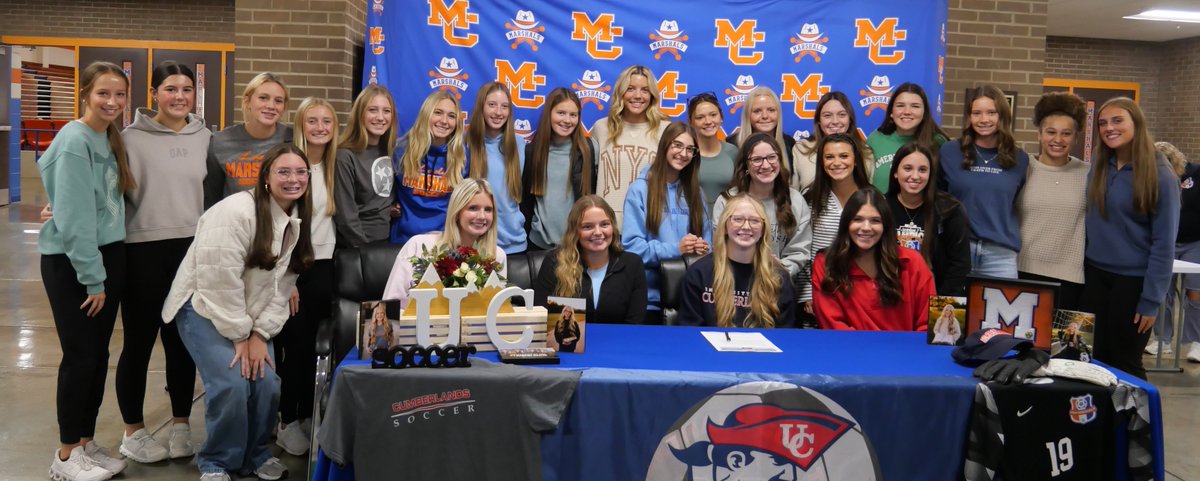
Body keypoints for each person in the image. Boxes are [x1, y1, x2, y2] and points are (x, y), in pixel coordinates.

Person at [162, 144, 314, 481]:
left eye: (300, 172)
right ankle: (217, 462)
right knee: (232, 384)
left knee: (267, 383)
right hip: (203, 306)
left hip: (247, 315)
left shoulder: (297, 219)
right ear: (266, 177)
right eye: (284, 171)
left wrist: (260, 334)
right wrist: (241, 336)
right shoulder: (234, 213)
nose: (293, 179)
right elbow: (218, 282)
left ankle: (255, 456)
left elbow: (282, 288)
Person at [41, 61, 136, 481]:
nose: (112, 102)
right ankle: (65, 456)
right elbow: (76, 219)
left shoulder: (109, 137)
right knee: (80, 357)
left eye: (119, 94)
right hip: (75, 263)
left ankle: (85, 441)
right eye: (103, 93)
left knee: (98, 356)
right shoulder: (74, 139)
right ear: (85, 94)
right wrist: (93, 278)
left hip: (107, 256)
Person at [113, 61, 206, 465]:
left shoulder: (205, 137)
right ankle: (133, 432)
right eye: (170, 89)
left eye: (186, 89)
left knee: (182, 342)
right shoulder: (128, 139)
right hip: (142, 251)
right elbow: (103, 189)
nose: (179, 96)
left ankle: (181, 424)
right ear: (154, 94)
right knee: (138, 344)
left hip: (190, 250)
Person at [1081, 97, 1179, 380]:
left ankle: (1138, 411)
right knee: (1093, 359)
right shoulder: (1100, 163)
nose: (1109, 128)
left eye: (1117, 120)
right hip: (1095, 277)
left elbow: (1164, 244)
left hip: (1133, 283)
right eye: (1103, 123)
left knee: (1125, 362)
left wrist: (1151, 301)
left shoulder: (1160, 174)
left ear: (1136, 123)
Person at [273, 97, 339, 456]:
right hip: (298, 268)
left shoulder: (335, 164)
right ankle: (286, 420)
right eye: (312, 120)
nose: (319, 127)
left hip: (329, 267)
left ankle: (308, 415)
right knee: (295, 349)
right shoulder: (291, 165)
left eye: (326, 121)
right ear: (300, 124)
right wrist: (289, 278)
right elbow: (278, 225)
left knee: (318, 347)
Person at [622, 121, 712, 324]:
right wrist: (676, 249)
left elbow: (710, 246)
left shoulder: (696, 193)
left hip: (691, 298)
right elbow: (632, 248)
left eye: (690, 149)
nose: (683, 153)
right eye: (677, 145)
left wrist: (702, 248)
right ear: (665, 146)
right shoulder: (639, 190)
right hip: (649, 299)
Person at [713, 133, 810, 317]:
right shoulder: (727, 200)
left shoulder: (795, 201)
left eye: (771, 157)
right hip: (732, 288)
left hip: (777, 289)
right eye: (757, 159)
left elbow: (800, 250)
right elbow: (718, 245)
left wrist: (779, 269)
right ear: (746, 165)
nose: (765, 165)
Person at [812, 188, 936, 331]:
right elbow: (832, 324)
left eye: (875, 221)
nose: (866, 227)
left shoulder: (912, 262)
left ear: (886, 225)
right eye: (857, 219)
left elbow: (928, 324)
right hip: (849, 345)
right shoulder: (826, 264)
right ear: (846, 223)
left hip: (906, 346)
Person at [939, 85, 1030, 279]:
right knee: (950, 301)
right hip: (957, 250)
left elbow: (1016, 202)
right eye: (976, 113)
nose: (983, 119)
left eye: (991, 113)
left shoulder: (1020, 158)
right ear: (969, 117)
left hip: (1000, 256)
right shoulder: (949, 151)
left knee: (1002, 301)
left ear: (1002, 116)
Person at [382, 179, 507, 307]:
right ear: (457, 212)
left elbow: (496, 308)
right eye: (473, 208)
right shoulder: (418, 246)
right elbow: (391, 305)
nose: (482, 216)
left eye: (488, 209)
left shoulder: (497, 255)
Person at [1016, 92, 1089, 310]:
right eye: (1051, 132)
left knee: (1062, 334)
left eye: (1066, 133)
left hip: (1070, 279)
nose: (1058, 140)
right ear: (1039, 134)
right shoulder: (1022, 168)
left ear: (1076, 138)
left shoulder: (1088, 174)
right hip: (1022, 271)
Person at [679, 194, 796, 327]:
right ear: (725, 226)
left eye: (754, 221)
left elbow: (786, 335)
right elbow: (689, 332)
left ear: (763, 229)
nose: (746, 226)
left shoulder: (779, 278)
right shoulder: (698, 274)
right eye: (738, 219)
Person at [533, 195, 646, 323]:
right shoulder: (554, 262)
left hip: (620, 336)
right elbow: (542, 317)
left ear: (613, 227)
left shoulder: (633, 264)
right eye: (588, 226)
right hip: (570, 336)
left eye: (604, 224)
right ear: (575, 231)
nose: (598, 232)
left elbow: (635, 323)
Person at [800, 133, 871, 323]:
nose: (836, 162)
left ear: (855, 160)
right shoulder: (810, 198)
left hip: (861, 293)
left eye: (844, 156)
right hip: (821, 291)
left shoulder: (872, 197)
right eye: (829, 157)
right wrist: (808, 292)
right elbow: (803, 248)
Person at [885, 142, 970, 295]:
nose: (915, 176)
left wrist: (939, 304)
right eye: (908, 168)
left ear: (931, 174)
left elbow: (960, 266)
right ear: (895, 172)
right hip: (890, 296)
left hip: (937, 295)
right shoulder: (881, 207)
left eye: (922, 170)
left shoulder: (949, 209)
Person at [591, 65, 670, 224]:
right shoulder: (601, 127)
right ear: (620, 92)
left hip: (648, 223)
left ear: (652, 95)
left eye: (645, 90)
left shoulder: (665, 129)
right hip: (606, 225)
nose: (638, 96)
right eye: (630, 88)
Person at [391, 90, 469, 245]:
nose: (444, 121)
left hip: (444, 241)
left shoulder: (463, 156)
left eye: (451, 116)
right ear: (426, 114)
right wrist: (390, 204)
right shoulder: (401, 150)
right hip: (404, 240)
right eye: (438, 113)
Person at [521, 88, 596, 251]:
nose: (567, 120)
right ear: (549, 113)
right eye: (561, 113)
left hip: (577, 244)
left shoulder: (588, 150)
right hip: (538, 243)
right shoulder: (532, 152)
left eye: (573, 115)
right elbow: (525, 202)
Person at [203, 72, 292, 208]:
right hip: (235, 219)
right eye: (263, 98)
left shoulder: (293, 139)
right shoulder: (220, 142)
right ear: (247, 102)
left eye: (278, 101)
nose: (271, 106)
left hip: (280, 219)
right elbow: (212, 199)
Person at [1152, 141, 1200, 362]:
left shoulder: (1195, 174)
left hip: (1195, 242)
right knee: (1163, 292)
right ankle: (1162, 340)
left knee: (1195, 293)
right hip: (1167, 242)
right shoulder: (1155, 179)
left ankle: (1196, 342)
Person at [333, 84, 396, 247]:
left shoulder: (390, 151)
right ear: (360, 114)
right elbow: (345, 216)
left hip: (385, 241)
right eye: (372, 110)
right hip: (357, 246)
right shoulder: (344, 156)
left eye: (386, 111)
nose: (380, 117)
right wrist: (365, 250)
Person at [467, 82, 527, 254]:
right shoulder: (465, 144)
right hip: (475, 244)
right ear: (481, 107)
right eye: (492, 105)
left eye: (504, 106)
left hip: (514, 243)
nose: (498, 112)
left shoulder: (519, 144)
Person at [867, 82, 948, 192]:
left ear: (924, 113)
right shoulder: (876, 139)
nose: (907, 112)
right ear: (891, 111)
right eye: (900, 106)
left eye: (915, 106)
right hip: (879, 203)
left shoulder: (938, 142)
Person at [791, 91, 874, 191]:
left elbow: (869, 193)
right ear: (819, 120)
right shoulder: (802, 149)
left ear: (850, 119)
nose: (835, 121)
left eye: (842, 115)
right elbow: (792, 194)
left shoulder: (865, 152)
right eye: (827, 115)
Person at [689, 92, 739, 210]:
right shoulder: (686, 153)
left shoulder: (733, 152)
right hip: (691, 220)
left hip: (725, 219)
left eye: (713, 115)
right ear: (691, 122)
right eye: (700, 117)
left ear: (721, 117)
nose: (708, 121)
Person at [726, 86, 795, 167]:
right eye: (757, 111)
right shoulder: (733, 145)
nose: (765, 116)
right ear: (747, 115)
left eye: (771, 110)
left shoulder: (789, 144)